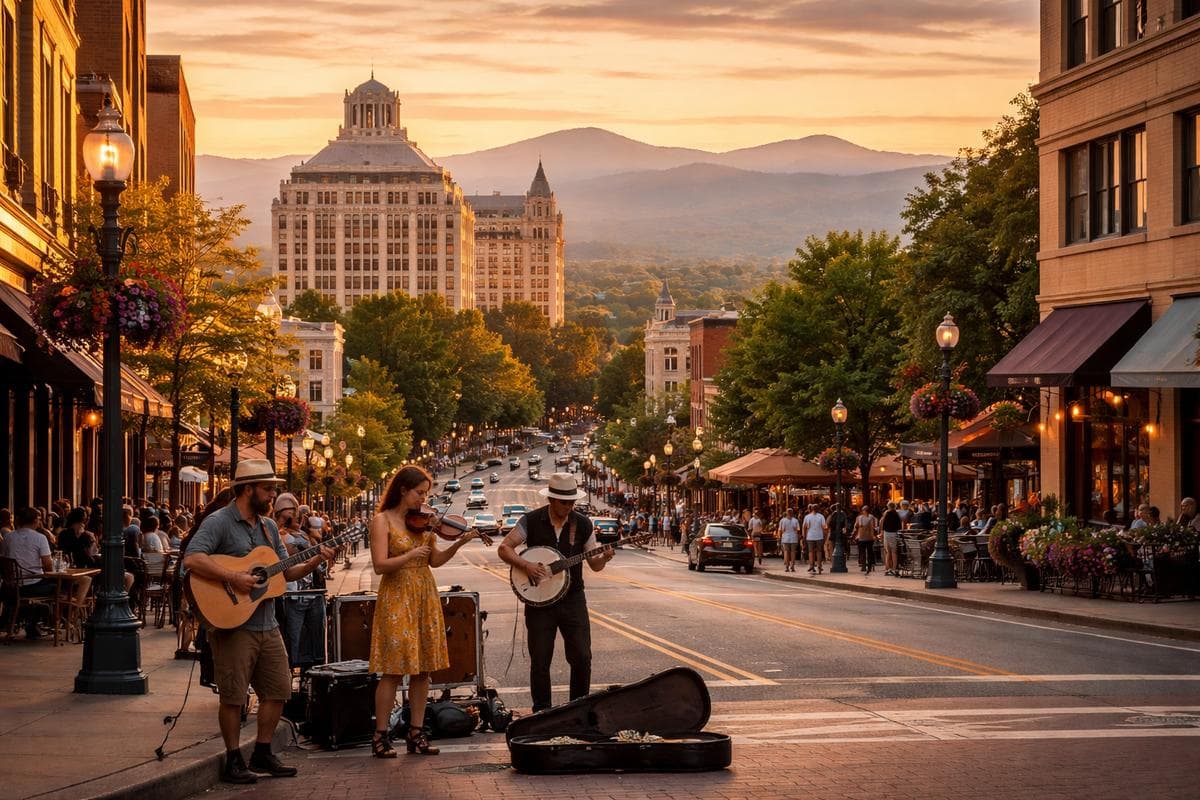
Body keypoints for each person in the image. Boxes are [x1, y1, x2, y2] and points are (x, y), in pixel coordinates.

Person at [182, 459, 333, 784]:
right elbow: (193, 558)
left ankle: (262, 751)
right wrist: (234, 577)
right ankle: (234, 758)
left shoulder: (267, 527)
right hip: (233, 624)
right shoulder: (219, 522)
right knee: (234, 696)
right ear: (248, 489)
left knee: (279, 689)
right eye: (268, 488)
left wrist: (316, 558)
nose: (273, 494)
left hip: (267, 623)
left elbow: (285, 571)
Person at [369, 465, 484, 758]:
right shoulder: (382, 521)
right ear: (403, 490)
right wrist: (409, 555)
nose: (423, 499)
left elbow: (435, 561)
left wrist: (459, 542)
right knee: (393, 670)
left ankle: (416, 733)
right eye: (419, 493)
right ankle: (380, 736)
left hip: (424, 592)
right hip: (397, 594)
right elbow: (380, 565)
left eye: (426, 494)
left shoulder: (425, 523)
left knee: (423, 671)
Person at [498, 473, 613, 715]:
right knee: (540, 660)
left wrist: (604, 557)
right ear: (551, 499)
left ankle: (578, 710)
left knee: (582, 657)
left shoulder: (583, 524)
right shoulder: (531, 520)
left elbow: (594, 564)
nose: (569, 506)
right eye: (564, 502)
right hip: (540, 603)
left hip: (573, 599)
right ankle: (542, 712)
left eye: (572, 502)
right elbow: (505, 548)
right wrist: (526, 565)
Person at [0, 507, 56, 638]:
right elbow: (48, 564)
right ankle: (39, 622)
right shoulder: (40, 538)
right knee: (58, 588)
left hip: (11, 585)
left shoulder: (8, 537)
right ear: (35, 520)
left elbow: (3, 559)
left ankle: (22, 619)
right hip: (33, 585)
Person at [802, 504, 827, 574]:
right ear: (818, 509)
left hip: (810, 536)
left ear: (811, 509)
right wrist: (825, 536)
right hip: (819, 536)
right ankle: (819, 566)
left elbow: (804, 527)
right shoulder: (821, 516)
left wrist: (804, 536)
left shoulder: (807, 517)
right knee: (819, 552)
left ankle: (811, 566)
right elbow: (824, 527)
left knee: (811, 552)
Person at [854, 505, 878, 575]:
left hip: (863, 537)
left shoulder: (860, 518)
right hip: (868, 537)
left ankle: (865, 566)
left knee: (864, 552)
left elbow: (856, 526)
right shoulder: (872, 517)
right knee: (868, 552)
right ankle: (868, 566)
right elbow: (875, 527)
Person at [880, 502, 902, 576]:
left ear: (888, 506)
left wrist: (882, 534)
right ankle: (894, 568)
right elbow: (899, 526)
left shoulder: (886, 513)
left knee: (887, 552)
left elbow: (883, 525)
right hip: (894, 534)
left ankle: (887, 568)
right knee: (894, 552)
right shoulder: (896, 514)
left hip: (887, 533)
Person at [777, 508, 801, 572]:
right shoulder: (795, 520)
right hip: (792, 538)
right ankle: (792, 566)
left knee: (786, 552)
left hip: (786, 538)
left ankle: (787, 566)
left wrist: (779, 538)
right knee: (792, 552)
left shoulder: (783, 520)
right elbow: (798, 530)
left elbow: (780, 530)